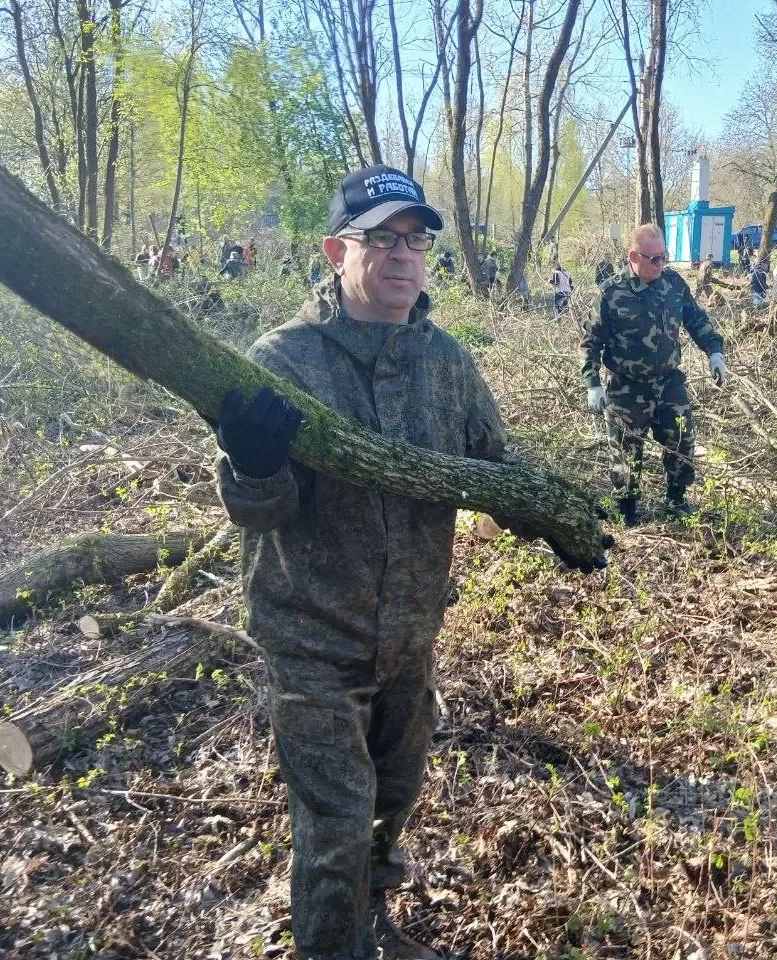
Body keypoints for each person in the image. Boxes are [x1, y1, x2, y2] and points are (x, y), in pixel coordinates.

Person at [214, 163, 608, 960]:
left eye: (416, 240)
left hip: (410, 632)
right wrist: (251, 464)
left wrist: (552, 518)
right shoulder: (282, 362)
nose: (403, 255)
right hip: (313, 637)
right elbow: (259, 513)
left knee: (394, 797)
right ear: (336, 251)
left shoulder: (447, 362)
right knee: (335, 825)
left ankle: (373, 924)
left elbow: (494, 468)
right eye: (382, 239)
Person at [583, 223, 727, 528]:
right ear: (634, 257)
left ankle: (676, 498)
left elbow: (696, 319)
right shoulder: (612, 292)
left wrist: (714, 351)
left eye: (665, 257)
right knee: (626, 449)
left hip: (668, 382)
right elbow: (591, 342)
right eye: (654, 259)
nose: (661, 264)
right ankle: (628, 508)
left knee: (682, 440)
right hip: (627, 387)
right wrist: (593, 383)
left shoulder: (672, 284)